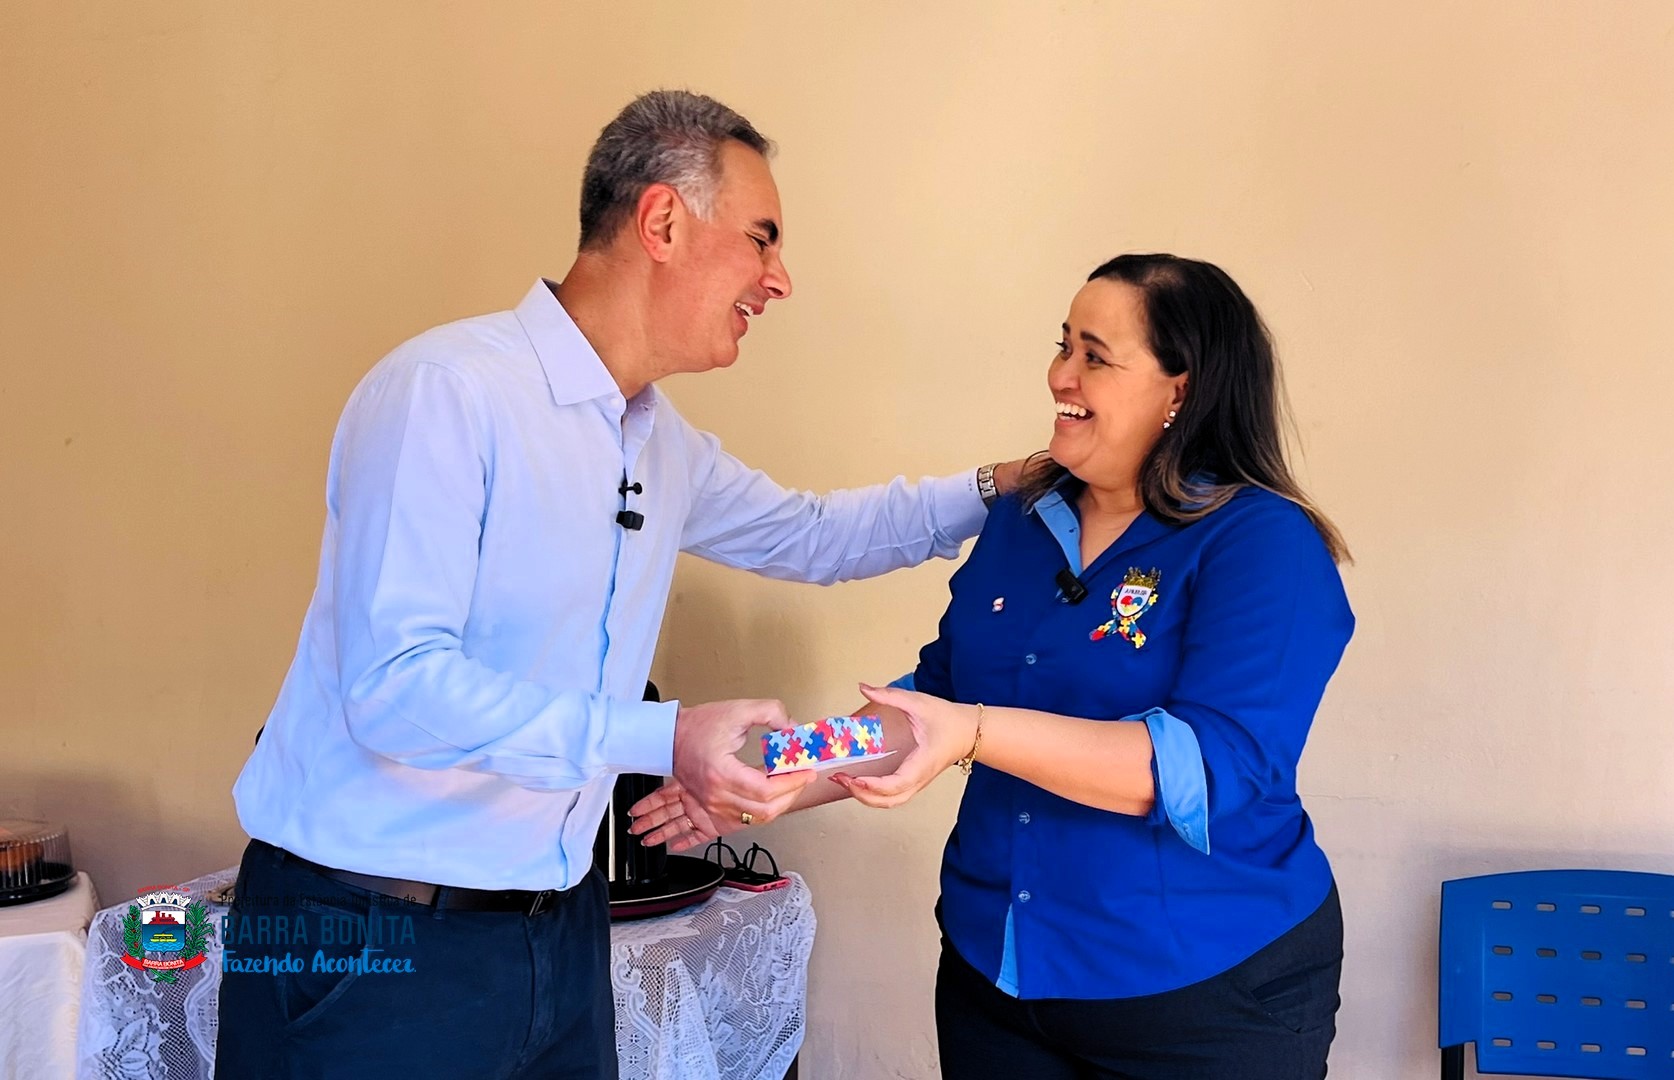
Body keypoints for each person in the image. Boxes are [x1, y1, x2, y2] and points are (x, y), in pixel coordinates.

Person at [215, 90, 1026, 1079]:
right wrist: (661, 736)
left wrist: (1003, 486)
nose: (780, 279)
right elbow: (394, 689)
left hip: (555, 937)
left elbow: (815, 534)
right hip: (369, 934)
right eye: (762, 239)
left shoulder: (659, 442)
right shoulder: (448, 392)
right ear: (663, 222)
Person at [635, 253, 1353, 1079]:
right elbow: (934, 702)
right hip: (997, 975)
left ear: (1179, 391)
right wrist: (774, 772)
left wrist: (975, 733)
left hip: (1202, 991)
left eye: (1095, 356)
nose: (1060, 375)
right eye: (1063, 345)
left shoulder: (1262, 543)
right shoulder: (1023, 516)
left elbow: (1203, 769)